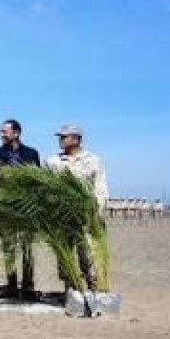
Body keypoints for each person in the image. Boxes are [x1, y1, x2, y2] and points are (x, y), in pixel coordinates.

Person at [45, 124, 109, 290]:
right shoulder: (53, 162)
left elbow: (100, 189)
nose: (60, 140)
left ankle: (95, 289)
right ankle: (71, 290)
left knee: (89, 256)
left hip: (86, 217)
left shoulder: (93, 161)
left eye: (64, 137)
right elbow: (46, 190)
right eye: (60, 137)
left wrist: (97, 214)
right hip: (62, 217)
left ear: (76, 139)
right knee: (64, 256)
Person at [0, 119, 41, 300]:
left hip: (26, 209)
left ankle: (28, 286)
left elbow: (37, 183)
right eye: (1, 131)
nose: (2, 134)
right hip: (5, 210)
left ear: (16, 133)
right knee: (9, 249)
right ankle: (11, 285)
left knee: (27, 248)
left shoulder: (31, 154)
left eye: (5, 131)